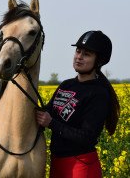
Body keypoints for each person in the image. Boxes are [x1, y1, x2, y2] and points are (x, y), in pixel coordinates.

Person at [36, 30, 120, 178]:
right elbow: (46, 113)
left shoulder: (98, 93)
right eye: (78, 51)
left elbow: (87, 137)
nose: (79, 57)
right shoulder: (66, 85)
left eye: (86, 54)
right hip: (57, 164)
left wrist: (51, 123)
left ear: (98, 61)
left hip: (81, 166)